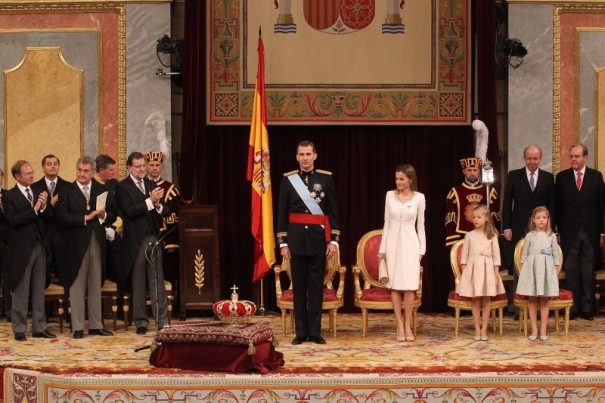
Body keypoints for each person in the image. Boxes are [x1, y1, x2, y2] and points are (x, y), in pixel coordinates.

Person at [277, 140, 340, 345]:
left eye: (308, 154)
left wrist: (333, 241)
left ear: (315, 155)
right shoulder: (288, 180)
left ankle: (314, 332)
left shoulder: (326, 178)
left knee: (315, 288)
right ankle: (300, 332)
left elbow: (333, 212)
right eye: (301, 154)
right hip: (295, 241)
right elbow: (281, 214)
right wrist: (283, 243)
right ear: (296, 157)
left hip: (318, 240)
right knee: (298, 288)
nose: (305, 158)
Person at [55, 156, 115, 338]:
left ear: (92, 172)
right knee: (77, 285)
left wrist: (104, 216)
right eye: (79, 170)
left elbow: (113, 214)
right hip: (75, 245)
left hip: (96, 241)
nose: (82, 174)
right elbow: (61, 217)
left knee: (96, 283)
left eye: (86, 171)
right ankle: (78, 327)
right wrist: (85, 218)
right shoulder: (66, 191)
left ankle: (96, 325)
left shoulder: (101, 189)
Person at [117, 151, 170, 335]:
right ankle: (140, 321)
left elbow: (165, 210)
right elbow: (128, 210)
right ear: (129, 167)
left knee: (156, 279)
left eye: (143, 166)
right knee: (138, 281)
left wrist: (157, 205)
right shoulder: (123, 187)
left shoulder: (150, 183)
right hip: (135, 241)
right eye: (138, 166)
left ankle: (161, 320)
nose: (142, 169)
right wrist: (150, 201)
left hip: (153, 238)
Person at [3, 160, 56, 341]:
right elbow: (14, 220)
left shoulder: (37, 191)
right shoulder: (9, 196)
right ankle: (19, 328)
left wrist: (43, 207)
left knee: (39, 287)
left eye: (32, 172)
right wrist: (34, 209)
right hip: (21, 248)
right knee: (21, 289)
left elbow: (49, 216)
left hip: (39, 244)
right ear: (18, 176)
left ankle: (39, 327)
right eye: (28, 173)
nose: (32, 176)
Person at [501, 145, 555, 315]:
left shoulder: (547, 177)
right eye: (529, 158)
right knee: (520, 265)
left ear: (541, 159)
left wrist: (552, 229)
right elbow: (507, 202)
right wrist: (506, 227)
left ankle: (538, 309)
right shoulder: (514, 175)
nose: (532, 162)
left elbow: (552, 205)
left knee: (539, 267)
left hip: (541, 229)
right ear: (524, 159)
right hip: (518, 228)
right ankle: (519, 309)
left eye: (536, 159)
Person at [555, 143, 605, 321]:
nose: (574, 159)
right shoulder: (561, 178)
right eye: (572, 156)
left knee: (587, 270)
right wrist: (556, 231)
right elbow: (557, 207)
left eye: (577, 156)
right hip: (569, 232)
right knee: (572, 270)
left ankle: (586, 308)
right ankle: (573, 307)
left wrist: (602, 233)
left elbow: (602, 207)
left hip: (591, 232)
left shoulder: (596, 177)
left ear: (585, 158)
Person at [377, 164, 425, 342]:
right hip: (392, 245)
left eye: (402, 179)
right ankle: (399, 325)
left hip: (411, 244)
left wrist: (422, 250)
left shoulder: (420, 198)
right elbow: (386, 223)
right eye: (396, 179)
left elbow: (421, 226)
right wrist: (382, 250)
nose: (398, 182)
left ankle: (408, 325)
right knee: (396, 286)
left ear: (410, 179)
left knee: (410, 287)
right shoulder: (390, 195)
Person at [457, 204, 505, 341]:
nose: (476, 220)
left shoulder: (492, 236)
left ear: (486, 218)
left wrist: (496, 275)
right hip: (473, 270)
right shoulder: (469, 236)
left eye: (479, 217)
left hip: (488, 270)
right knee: (476, 300)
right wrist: (466, 274)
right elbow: (464, 257)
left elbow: (497, 257)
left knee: (486, 300)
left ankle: (484, 330)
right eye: (474, 217)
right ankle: (477, 329)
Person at [516, 206, 560, 341]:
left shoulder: (552, 236)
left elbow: (556, 256)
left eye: (544, 218)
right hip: (532, 270)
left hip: (546, 270)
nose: (541, 220)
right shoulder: (529, 236)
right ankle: (534, 328)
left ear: (548, 220)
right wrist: (524, 273)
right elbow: (524, 256)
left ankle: (543, 329)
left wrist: (555, 271)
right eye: (538, 218)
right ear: (533, 220)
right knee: (533, 300)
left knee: (545, 300)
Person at [144, 151, 184, 298]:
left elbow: (175, 217)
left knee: (167, 272)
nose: (154, 168)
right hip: (144, 236)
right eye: (151, 165)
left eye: (157, 165)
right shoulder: (141, 186)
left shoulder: (170, 189)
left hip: (164, 240)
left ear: (161, 167)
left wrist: (171, 242)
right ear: (147, 167)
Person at [31, 154, 70, 286]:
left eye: (55, 164)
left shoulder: (68, 186)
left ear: (59, 167)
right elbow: (35, 213)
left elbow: (67, 212)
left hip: (63, 235)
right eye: (49, 164)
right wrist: (51, 204)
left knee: (64, 274)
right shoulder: (34, 187)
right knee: (43, 274)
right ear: (43, 168)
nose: (53, 166)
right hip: (43, 234)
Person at [445, 157, 500, 249]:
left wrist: (492, 236)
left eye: (475, 170)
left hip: (485, 236)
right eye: (469, 170)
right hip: (462, 237)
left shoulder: (490, 192)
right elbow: (450, 219)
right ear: (464, 172)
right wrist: (454, 242)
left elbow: (495, 218)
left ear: (479, 171)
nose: (472, 173)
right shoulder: (455, 192)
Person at [94, 154, 122, 286]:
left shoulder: (115, 184)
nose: (114, 172)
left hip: (112, 231)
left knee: (117, 266)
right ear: (101, 171)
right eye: (111, 170)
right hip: (96, 231)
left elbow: (121, 209)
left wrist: (114, 228)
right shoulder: (91, 185)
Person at [0, 169, 10, 320]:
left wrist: (3, 209)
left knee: (9, 278)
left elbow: (14, 218)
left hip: (6, 241)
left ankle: (9, 312)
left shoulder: (8, 195)